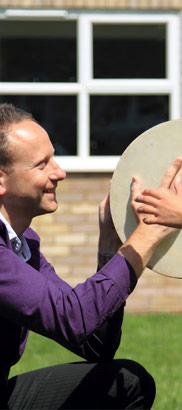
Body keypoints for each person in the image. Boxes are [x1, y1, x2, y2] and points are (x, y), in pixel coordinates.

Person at [0, 103, 180, 410]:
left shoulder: (24, 245)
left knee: (124, 383)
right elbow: (74, 319)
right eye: (42, 165)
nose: (60, 172)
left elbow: (94, 345)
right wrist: (147, 235)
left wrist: (110, 248)